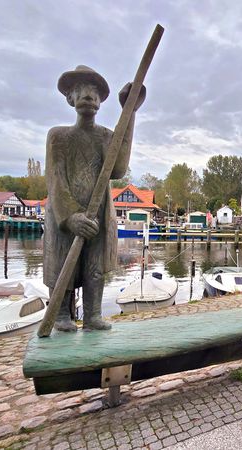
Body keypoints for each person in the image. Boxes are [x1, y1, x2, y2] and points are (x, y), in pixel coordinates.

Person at [44, 65, 145, 332]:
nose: (88, 95)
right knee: (62, 260)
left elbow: (118, 168)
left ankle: (93, 314)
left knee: (94, 265)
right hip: (65, 217)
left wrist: (130, 112)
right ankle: (62, 315)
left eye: (94, 92)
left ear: (101, 101)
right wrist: (70, 216)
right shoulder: (58, 136)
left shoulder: (104, 137)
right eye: (81, 90)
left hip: (98, 211)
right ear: (70, 98)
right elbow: (55, 179)